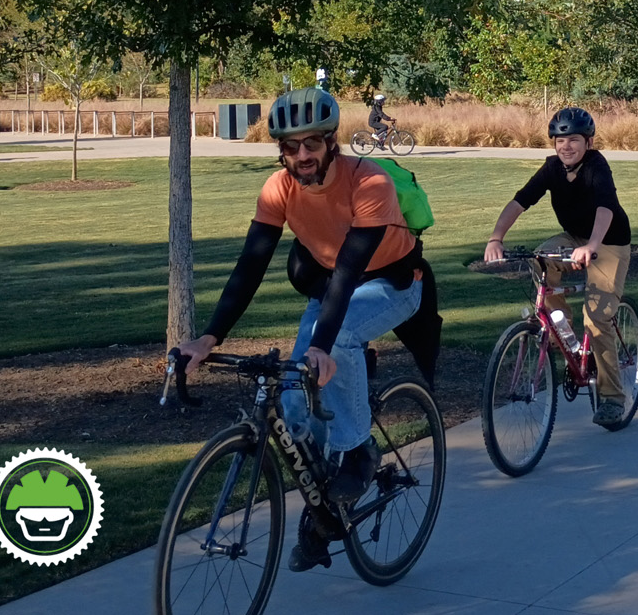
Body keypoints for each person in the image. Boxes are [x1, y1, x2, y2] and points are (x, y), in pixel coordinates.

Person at [172, 87, 438, 572]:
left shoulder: (369, 183)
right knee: (294, 401)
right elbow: (250, 264)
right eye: (290, 148)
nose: (301, 156)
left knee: (336, 343)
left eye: (311, 144)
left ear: (331, 141)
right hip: (333, 288)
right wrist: (210, 336)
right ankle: (322, 511)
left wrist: (320, 346)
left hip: (392, 285)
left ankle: (359, 453)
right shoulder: (278, 187)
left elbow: (351, 271)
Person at [483, 107, 634, 426]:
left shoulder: (596, 166)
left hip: (608, 241)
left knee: (597, 319)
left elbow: (606, 208)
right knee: (541, 259)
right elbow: (520, 201)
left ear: (588, 142)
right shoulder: (552, 168)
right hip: (574, 237)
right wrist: (496, 238)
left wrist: (592, 246)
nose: (566, 146)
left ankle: (613, 399)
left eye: (574, 140)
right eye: (560, 140)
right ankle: (559, 333)